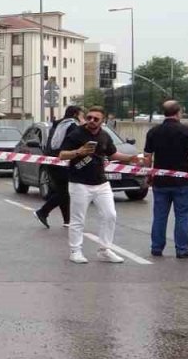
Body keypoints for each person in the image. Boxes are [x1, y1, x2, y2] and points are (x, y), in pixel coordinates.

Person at [58, 106, 142, 264]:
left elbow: (112, 153)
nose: (91, 121)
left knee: (110, 215)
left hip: (101, 183)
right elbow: (62, 155)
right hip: (79, 183)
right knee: (78, 219)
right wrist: (78, 152)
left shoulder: (104, 136)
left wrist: (131, 158)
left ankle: (104, 250)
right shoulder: (76, 134)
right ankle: (75, 251)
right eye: (89, 117)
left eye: (95, 119)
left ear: (102, 121)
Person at [143, 100, 188, 258]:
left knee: (159, 216)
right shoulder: (187, 131)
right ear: (179, 112)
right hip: (182, 182)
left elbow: (147, 156)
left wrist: (149, 174)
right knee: (183, 215)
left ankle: (156, 248)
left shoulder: (153, 132)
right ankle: (182, 249)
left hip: (160, 181)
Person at [35, 105, 81, 229]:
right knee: (64, 192)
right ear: (76, 114)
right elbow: (74, 143)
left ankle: (67, 220)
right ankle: (43, 212)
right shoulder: (72, 126)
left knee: (61, 191)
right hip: (61, 161)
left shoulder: (57, 125)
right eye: (81, 114)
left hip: (51, 160)